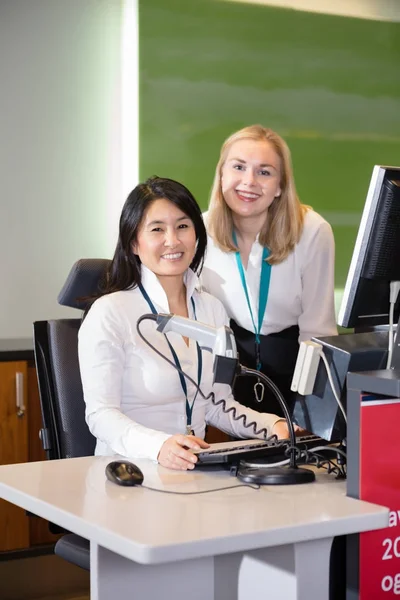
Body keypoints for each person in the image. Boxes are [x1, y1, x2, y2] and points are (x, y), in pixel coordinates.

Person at [78, 176, 296, 471]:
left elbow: (216, 404)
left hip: (194, 471)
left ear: (196, 235)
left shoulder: (212, 310)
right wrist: (159, 447)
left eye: (183, 226)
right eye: (157, 229)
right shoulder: (110, 313)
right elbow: (101, 415)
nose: (173, 240)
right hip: (128, 473)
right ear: (133, 242)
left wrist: (272, 424)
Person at [201, 125, 337, 417]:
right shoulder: (200, 231)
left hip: (297, 372)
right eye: (238, 167)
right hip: (226, 379)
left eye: (264, 172)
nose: (249, 182)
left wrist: (310, 412)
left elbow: (318, 332)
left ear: (280, 186)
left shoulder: (312, 231)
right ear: (222, 174)